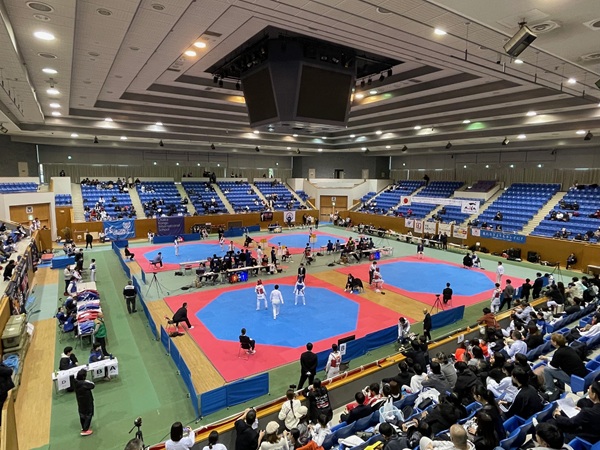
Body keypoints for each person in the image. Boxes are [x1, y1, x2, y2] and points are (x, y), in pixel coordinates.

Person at [74, 369, 95, 436]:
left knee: (82, 414)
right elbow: (93, 385)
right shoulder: (84, 384)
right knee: (89, 414)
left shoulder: (75, 382)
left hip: (80, 401)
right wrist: (86, 381)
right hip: (87, 401)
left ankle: (83, 427)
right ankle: (85, 430)